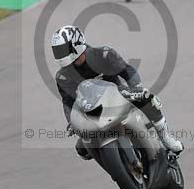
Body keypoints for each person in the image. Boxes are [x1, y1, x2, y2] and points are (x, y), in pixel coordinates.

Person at [51, 25, 184, 160]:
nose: (60, 55)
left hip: (118, 95)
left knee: (148, 99)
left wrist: (137, 88)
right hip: (91, 110)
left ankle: (166, 138)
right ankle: (115, 164)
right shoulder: (63, 76)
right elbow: (68, 102)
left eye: (62, 50)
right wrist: (72, 121)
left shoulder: (102, 54)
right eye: (57, 51)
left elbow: (127, 70)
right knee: (81, 150)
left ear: (76, 44)